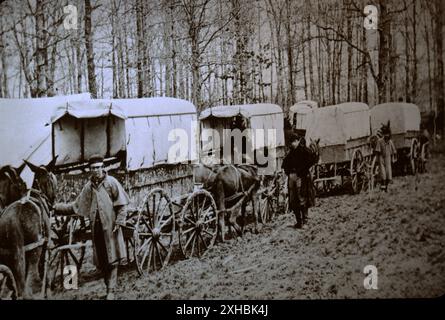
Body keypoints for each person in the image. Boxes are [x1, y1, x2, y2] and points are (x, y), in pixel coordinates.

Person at [54, 155, 130, 300]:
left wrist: (120, 222)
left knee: (112, 258)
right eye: (93, 168)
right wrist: (56, 208)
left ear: (103, 167)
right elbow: (75, 206)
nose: (96, 170)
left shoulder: (111, 183)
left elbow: (122, 205)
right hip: (97, 230)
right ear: (90, 169)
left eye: (98, 167)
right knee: (102, 261)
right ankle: (108, 287)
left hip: (112, 228)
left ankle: (111, 291)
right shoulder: (88, 187)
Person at [281, 135, 317, 229]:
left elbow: (312, 160)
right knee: (293, 200)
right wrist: (288, 172)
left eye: (294, 141)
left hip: (301, 177)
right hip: (291, 177)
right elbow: (284, 164)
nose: (292, 144)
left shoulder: (303, 151)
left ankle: (305, 221)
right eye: (291, 142)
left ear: (297, 141)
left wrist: (303, 171)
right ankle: (298, 222)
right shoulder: (290, 153)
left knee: (302, 198)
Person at [375, 125, 397, 191]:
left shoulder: (390, 142)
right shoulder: (379, 141)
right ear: (384, 135)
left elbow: (394, 151)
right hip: (381, 157)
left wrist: (394, 158)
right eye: (385, 135)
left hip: (388, 157)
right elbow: (377, 151)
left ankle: (386, 187)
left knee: (388, 172)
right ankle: (383, 186)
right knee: (382, 172)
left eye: (388, 135)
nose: (387, 136)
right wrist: (377, 159)